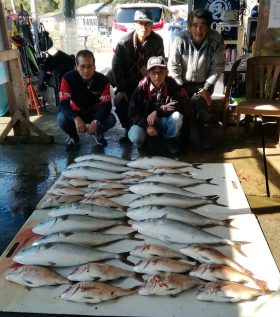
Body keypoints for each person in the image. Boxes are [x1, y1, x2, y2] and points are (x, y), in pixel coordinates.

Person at [168, 8, 225, 150]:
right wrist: (180, 86)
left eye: (203, 25)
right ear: (189, 26)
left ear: (209, 26)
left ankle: (205, 135)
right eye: (195, 25)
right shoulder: (180, 39)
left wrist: (206, 88)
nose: (198, 30)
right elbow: (173, 66)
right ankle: (182, 135)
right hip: (183, 82)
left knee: (203, 104)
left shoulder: (216, 39)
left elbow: (217, 67)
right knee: (182, 105)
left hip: (204, 82)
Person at [111, 8, 164, 144]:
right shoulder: (123, 42)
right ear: (135, 24)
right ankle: (127, 128)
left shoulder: (157, 41)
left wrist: (155, 84)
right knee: (120, 101)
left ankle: (150, 127)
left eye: (147, 24)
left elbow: (161, 65)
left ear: (152, 25)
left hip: (148, 83)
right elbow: (116, 68)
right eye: (140, 23)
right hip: (128, 84)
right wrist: (120, 89)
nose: (144, 27)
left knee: (153, 102)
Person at [57, 49, 116, 151]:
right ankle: (73, 137)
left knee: (111, 119)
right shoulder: (67, 78)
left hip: (94, 112)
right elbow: (63, 104)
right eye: (82, 66)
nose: (86, 70)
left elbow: (106, 105)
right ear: (76, 66)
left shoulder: (104, 80)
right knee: (61, 119)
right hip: (76, 111)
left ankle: (97, 133)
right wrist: (76, 118)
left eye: (89, 66)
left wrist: (96, 121)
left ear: (94, 66)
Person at [128, 56, 183, 155]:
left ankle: (169, 140)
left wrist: (157, 112)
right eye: (153, 72)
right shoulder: (141, 87)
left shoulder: (171, 84)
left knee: (177, 117)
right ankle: (142, 142)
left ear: (166, 72)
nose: (157, 76)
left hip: (164, 120)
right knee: (135, 135)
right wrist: (146, 126)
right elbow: (132, 111)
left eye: (160, 72)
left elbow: (176, 103)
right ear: (148, 74)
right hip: (145, 121)